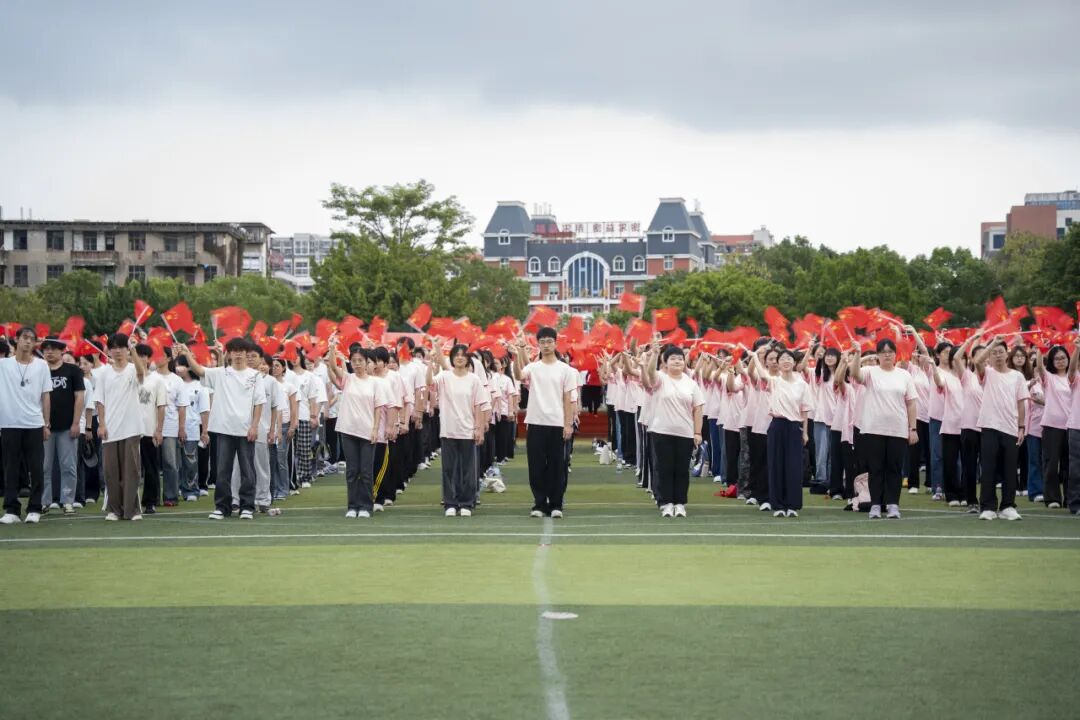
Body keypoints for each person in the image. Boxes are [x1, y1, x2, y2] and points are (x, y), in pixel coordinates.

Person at [178, 338, 266, 520]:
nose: (238, 354)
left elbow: (259, 403)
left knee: (247, 471)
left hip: (245, 431)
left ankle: (247, 506)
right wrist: (187, 354)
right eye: (235, 351)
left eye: (242, 351)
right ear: (229, 354)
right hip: (224, 429)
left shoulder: (255, 376)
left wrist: (254, 426)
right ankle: (222, 507)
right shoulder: (220, 373)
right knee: (223, 471)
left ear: (246, 353)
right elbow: (199, 370)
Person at [849, 338, 917, 519]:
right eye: (883, 352)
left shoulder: (904, 375)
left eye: (890, 352)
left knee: (894, 468)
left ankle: (893, 504)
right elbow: (854, 374)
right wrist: (857, 353)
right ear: (877, 355)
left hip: (898, 429)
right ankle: (876, 505)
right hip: (873, 429)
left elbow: (911, 403)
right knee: (876, 468)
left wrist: (913, 429)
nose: (887, 355)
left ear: (895, 354)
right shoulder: (870, 372)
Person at [512, 327, 576, 518]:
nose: (546, 345)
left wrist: (568, 424)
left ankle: (556, 504)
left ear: (555, 343)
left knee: (557, 465)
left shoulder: (566, 370)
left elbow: (568, 398)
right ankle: (539, 503)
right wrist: (518, 352)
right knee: (536, 465)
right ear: (538, 344)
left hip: (557, 423)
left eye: (549, 341)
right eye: (542, 342)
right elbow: (518, 375)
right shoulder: (533, 367)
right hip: (536, 422)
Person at [326, 345, 391, 518]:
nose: (357, 364)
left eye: (360, 360)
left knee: (366, 471)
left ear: (366, 362)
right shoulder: (348, 378)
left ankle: (365, 506)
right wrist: (331, 349)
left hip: (367, 431)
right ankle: (352, 506)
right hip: (348, 430)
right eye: (354, 361)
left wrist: (375, 429)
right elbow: (333, 366)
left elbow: (378, 408)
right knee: (352, 471)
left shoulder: (376, 383)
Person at [641, 343, 704, 518]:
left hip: (685, 432)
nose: (677, 361)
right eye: (673, 359)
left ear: (685, 362)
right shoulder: (661, 378)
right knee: (664, 468)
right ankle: (666, 502)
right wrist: (654, 354)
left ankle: (680, 503)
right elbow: (650, 373)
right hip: (662, 431)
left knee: (682, 469)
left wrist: (697, 432)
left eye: (680, 359)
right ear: (665, 362)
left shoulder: (691, 384)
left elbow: (698, 408)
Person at [429, 342, 490, 516]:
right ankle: (450, 502)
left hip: (468, 430)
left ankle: (466, 503)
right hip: (448, 429)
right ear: (452, 358)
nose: (460, 358)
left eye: (463, 355)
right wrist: (430, 363)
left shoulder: (474, 379)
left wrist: (478, 428)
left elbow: (479, 405)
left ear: (468, 359)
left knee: (468, 469)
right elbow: (429, 383)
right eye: (456, 355)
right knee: (448, 469)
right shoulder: (444, 376)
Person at [972, 335, 1029, 520]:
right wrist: (993, 343)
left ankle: (1008, 506)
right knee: (988, 468)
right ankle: (988, 507)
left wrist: (1021, 427)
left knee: (1009, 469)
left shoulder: (1017, 376)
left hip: (1011, 427)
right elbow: (977, 361)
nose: (997, 355)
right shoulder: (987, 373)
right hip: (989, 426)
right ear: (990, 356)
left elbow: (1021, 403)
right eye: (994, 353)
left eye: (1001, 352)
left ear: (1007, 355)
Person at [0, 327, 53, 525]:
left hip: (34, 423)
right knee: (11, 467)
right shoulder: (3, 365)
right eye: (24, 338)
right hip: (9, 422)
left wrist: (46, 423)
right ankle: (11, 509)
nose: (28, 342)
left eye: (32, 339)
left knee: (36, 467)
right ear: (16, 339)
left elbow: (46, 395)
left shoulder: (41, 365)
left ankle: (35, 507)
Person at [95, 333, 148, 521]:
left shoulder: (133, 369)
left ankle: (132, 510)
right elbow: (99, 400)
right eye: (114, 347)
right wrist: (101, 424)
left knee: (131, 470)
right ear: (109, 350)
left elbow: (141, 374)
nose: (118, 351)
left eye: (121, 347)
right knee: (111, 471)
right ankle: (114, 509)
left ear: (127, 350)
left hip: (131, 427)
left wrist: (133, 349)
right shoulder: (104, 373)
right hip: (110, 428)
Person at [755, 348, 812, 518]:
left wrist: (805, 432)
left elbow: (804, 410)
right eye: (782, 359)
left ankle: (792, 505)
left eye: (789, 358)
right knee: (776, 465)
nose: (786, 361)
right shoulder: (774, 381)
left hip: (794, 427)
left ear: (794, 363)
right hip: (777, 425)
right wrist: (754, 357)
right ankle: (778, 505)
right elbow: (761, 374)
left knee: (794, 466)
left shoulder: (802, 385)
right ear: (777, 364)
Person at [41, 336, 85, 514]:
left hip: (67, 427)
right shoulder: (40, 370)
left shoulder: (73, 370)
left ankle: (68, 500)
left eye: (53, 348)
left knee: (68, 466)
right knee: (44, 466)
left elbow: (79, 397)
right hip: (44, 427)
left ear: (62, 351)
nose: (49, 352)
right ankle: (44, 501)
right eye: (46, 349)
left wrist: (76, 423)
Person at [1035, 345, 1072, 509]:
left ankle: (1071, 497)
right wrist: (1040, 349)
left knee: (1070, 465)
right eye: (1056, 358)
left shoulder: (1074, 376)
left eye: (1063, 358)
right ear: (1051, 361)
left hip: (1072, 426)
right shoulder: (1049, 378)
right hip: (1052, 426)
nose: (1060, 361)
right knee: (1051, 463)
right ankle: (1052, 498)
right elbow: (1039, 367)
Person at [134, 344, 167, 514]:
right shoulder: (129, 377)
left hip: (149, 430)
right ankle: (130, 500)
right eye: (137, 355)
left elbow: (161, 406)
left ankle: (150, 501)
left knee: (151, 468)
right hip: (130, 430)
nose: (140, 359)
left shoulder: (157, 380)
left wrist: (159, 430)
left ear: (148, 358)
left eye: (143, 356)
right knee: (131, 468)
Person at [174, 354, 210, 502]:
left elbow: (204, 410)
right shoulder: (174, 383)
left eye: (180, 365)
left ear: (189, 366)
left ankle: (191, 490)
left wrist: (205, 431)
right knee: (175, 462)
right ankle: (176, 488)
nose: (177, 368)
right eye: (176, 365)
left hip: (192, 427)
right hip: (172, 427)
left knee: (190, 461)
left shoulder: (200, 386)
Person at [155, 352, 185, 507]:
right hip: (151, 427)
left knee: (170, 463)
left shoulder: (177, 380)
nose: (156, 357)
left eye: (159, 354)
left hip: (170, 426)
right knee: (152, 464)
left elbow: (182, 407)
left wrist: (181, 428)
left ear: (168, 358)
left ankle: (171, 496)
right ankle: (152, 498)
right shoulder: (150, 377)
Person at [268, 357, 297, 503]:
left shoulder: (289, 386)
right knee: (271, 459)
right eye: (272, 366)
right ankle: (272, 489)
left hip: (284, 425)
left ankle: (283, 489)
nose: (274, 368)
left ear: (284, 368)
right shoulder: (268, 383)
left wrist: (293, 425)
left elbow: (293, 407)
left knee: (281, 458)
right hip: (270, 425)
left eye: (277, 366)